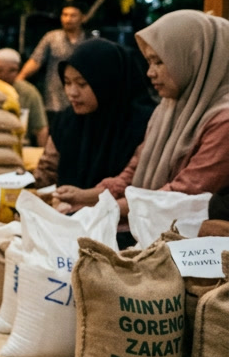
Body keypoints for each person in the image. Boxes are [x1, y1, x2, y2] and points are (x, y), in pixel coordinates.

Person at [61, 11, 229, 215]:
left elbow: (183, 195)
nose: (150, 73)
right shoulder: (167, 110)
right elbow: (133, 172)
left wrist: (107, 209)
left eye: (159, 62)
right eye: (149, 62)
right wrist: (85, 196)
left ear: (194, 59)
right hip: (149, 221)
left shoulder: (223, 121)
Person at [31, 38, 155, 193]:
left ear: (107, 82)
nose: (72, 93)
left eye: (82, 84)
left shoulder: (144, 123)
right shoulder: (67, 120)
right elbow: (48, 169)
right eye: (67, 83)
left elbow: (137, 183)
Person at [18, 1, 88, 116]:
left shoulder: (88, 41)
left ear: (83, 18)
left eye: (73, 15)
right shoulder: (51, 37)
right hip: (54, 101)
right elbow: (36, 60)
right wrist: (20, 77)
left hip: (80, 101)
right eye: (65, 15)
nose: (68, 19)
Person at [0, 48, 48, 146]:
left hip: (21, 146)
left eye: (11, 70)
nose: (4, 75)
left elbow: (41, 129)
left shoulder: (29, 93)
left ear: (18, 70)